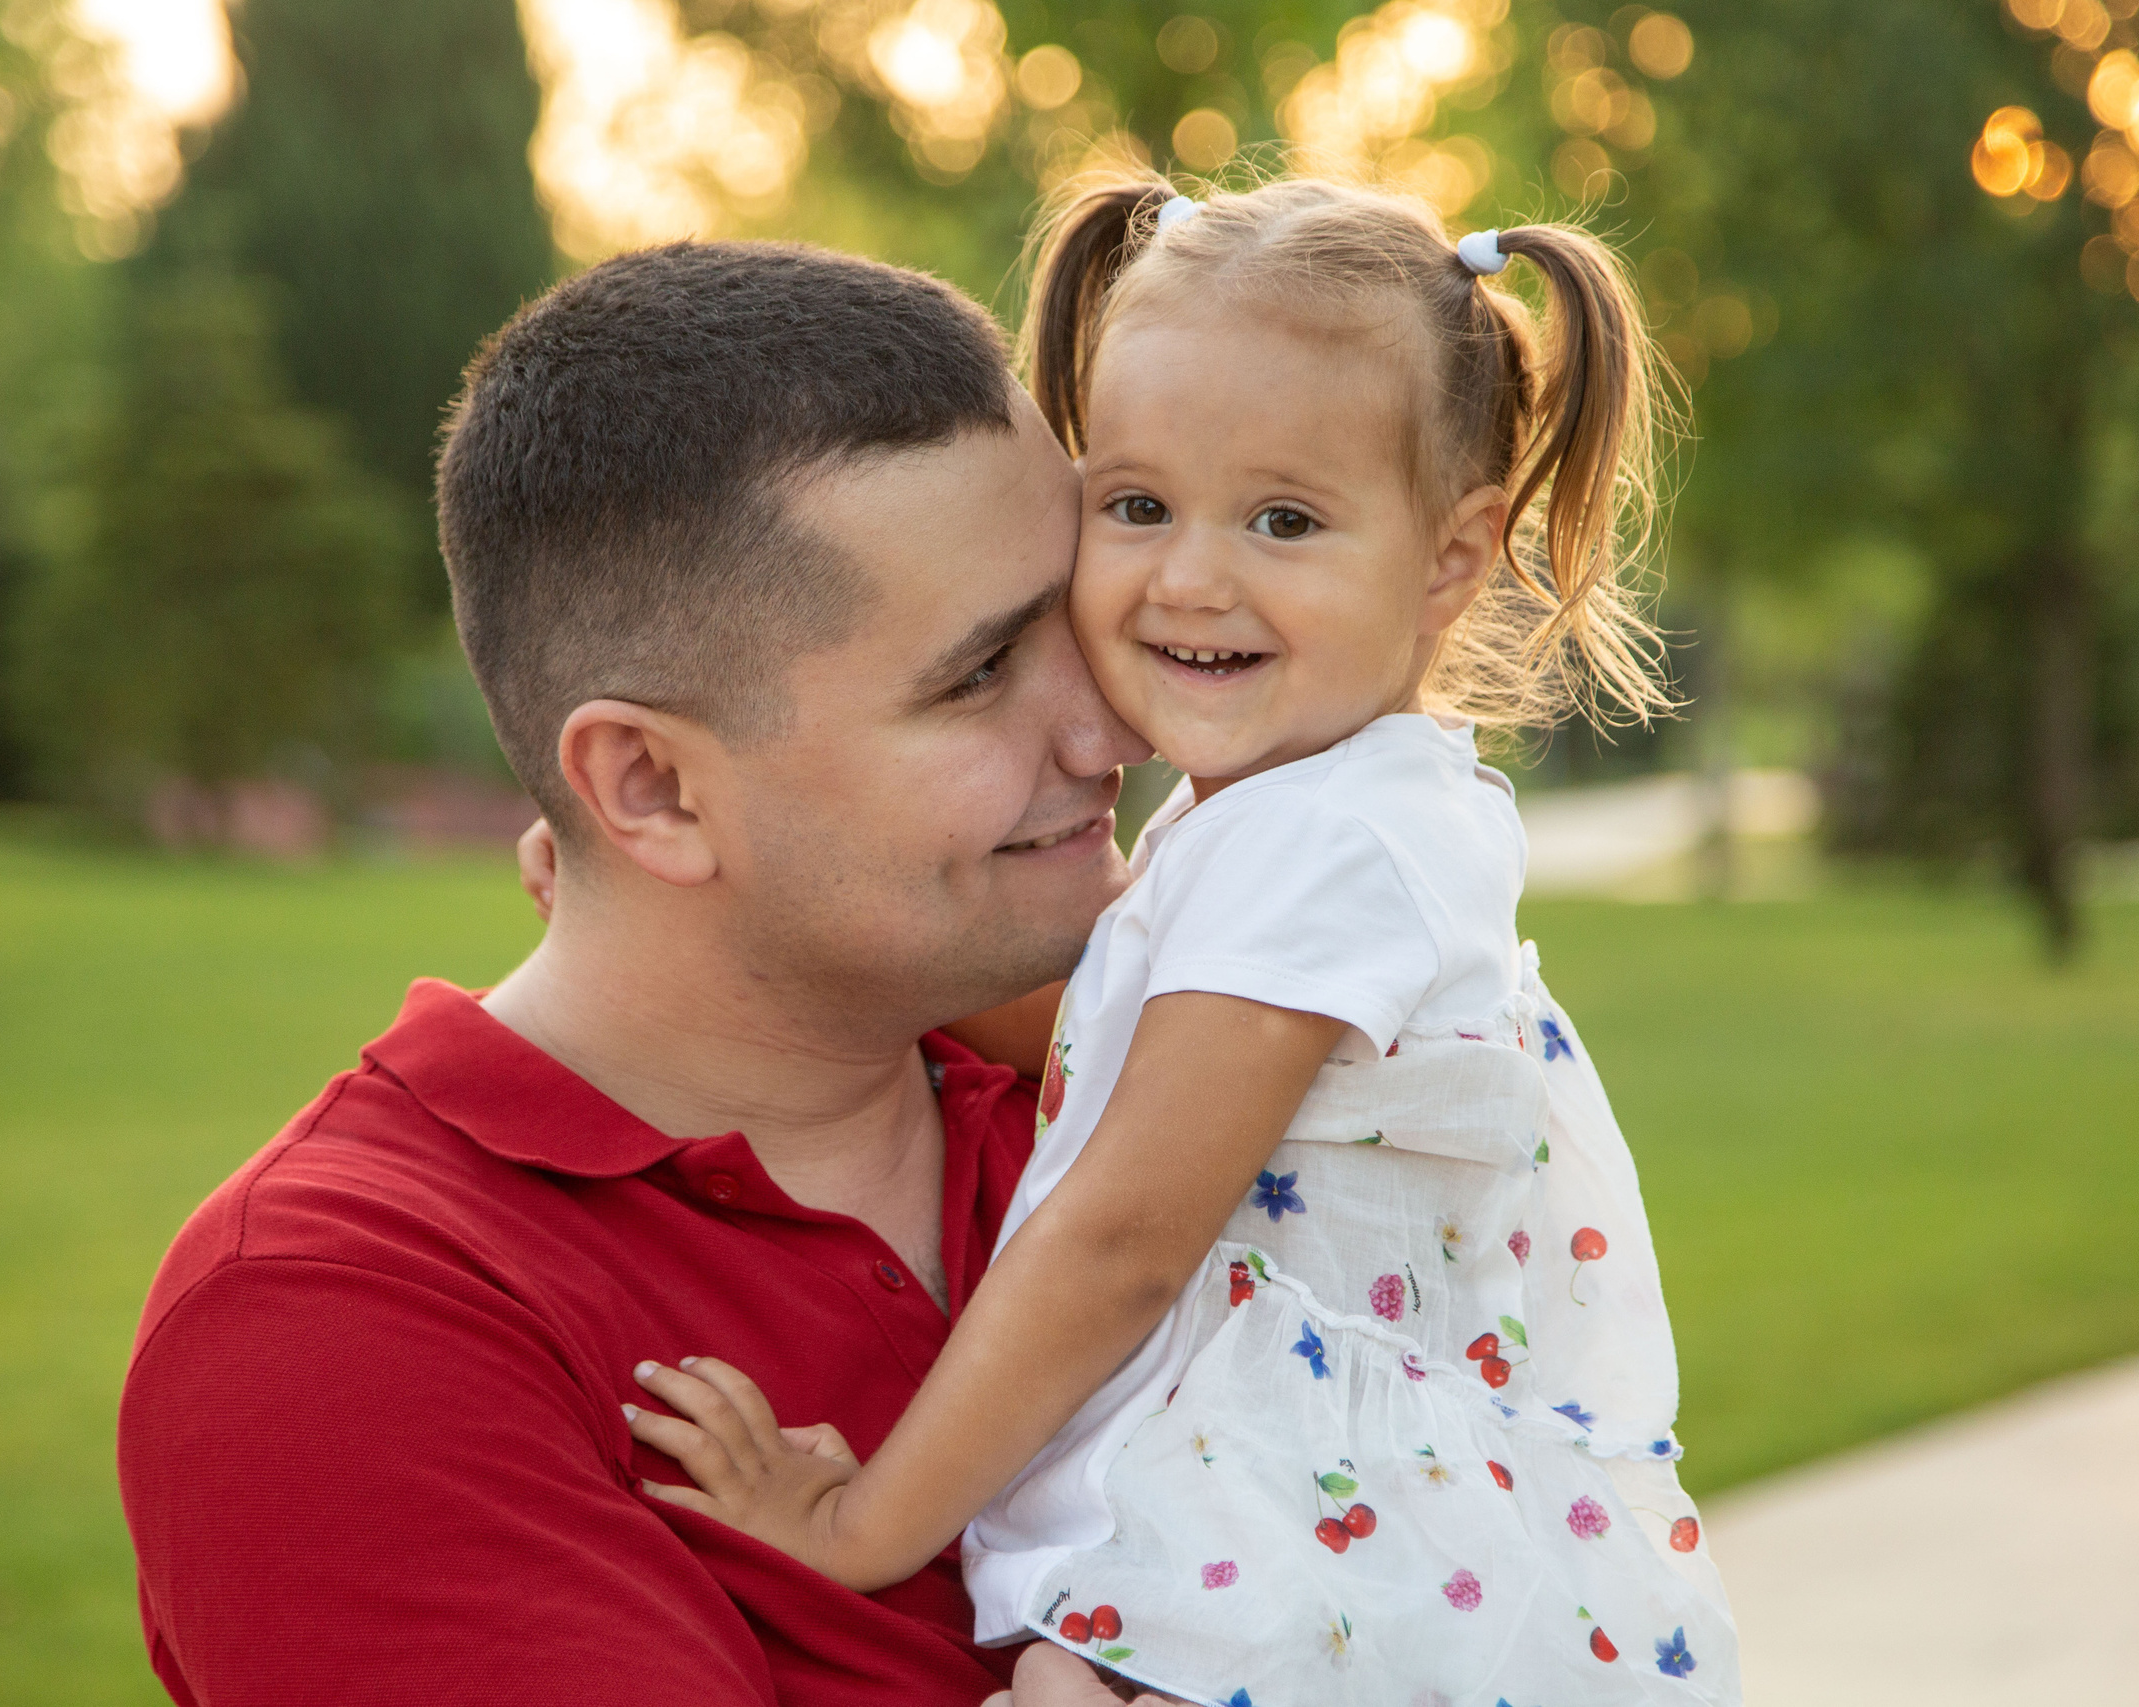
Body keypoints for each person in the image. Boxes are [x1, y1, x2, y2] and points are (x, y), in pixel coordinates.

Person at [618, 176, 1742, 1704]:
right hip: (1310, 1520)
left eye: (1284, 519)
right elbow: (1098, 1027)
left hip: (1317, 1542)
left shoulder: (1326, 846)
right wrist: (747, 907)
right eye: (1138, 505)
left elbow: (1123, 1237)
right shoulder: (1295, 818)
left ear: (1451, 559)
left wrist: (863, 1520)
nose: (1193, 577)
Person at [116, 241, 1184, 1707]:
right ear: (653, 790)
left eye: (1078, 615)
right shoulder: (337, 1318)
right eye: (982, 673)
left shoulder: (1160, 1074)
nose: (1110, 730)